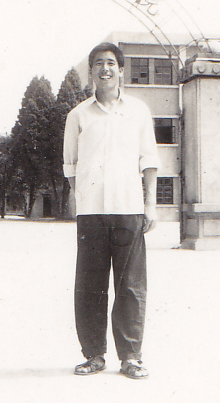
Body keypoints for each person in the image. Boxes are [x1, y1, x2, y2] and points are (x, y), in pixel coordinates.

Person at [63, 42, 160, 379]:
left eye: (110, 63)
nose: (105, 69)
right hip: (91, 212)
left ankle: (131, 357)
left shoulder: (138, 111)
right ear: (91, 71)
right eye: (98, 64)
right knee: (89, 285)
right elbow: (71, 165)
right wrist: (79, 199)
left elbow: (149, 159)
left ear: (120, 70)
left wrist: (150, 204)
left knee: (131, 285)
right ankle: (94, 355)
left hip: (128, 208)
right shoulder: (78, 115)